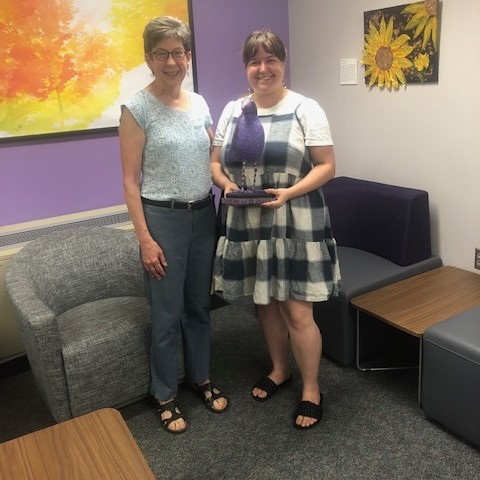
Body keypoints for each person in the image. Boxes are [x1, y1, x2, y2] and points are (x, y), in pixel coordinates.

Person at [211, 30, 341, 430]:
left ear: (284, 63)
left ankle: (312, 389)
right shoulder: (233, 110)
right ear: (246, 67)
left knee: (298, 310)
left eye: (271, 60)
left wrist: (288, 193)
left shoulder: (306, 108)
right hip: (248, 218)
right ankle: (280, 369)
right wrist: (225, 183)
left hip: (294, 219)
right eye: (254, 61)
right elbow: (215, 161)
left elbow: (327, 166)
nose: (262, 68)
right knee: (263, 302)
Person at [119, 16, 228, 434]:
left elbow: (214, 157)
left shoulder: (199, 102)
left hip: (204, 215)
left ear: (188, 57)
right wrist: (145, 238)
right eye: (161, 53)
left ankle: (200, 377)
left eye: (178, 53)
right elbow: (130, 181)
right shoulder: (137, 108)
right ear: (149, 58)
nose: (171, 61)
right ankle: (164, 393)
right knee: (166, 314)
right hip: (161, 219)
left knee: (200, 307)